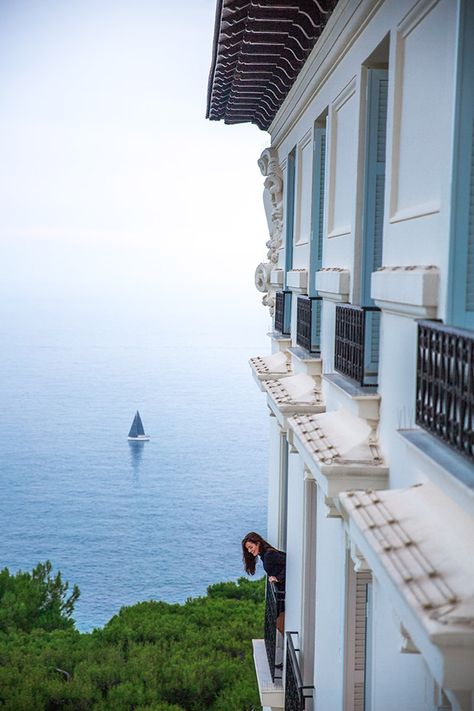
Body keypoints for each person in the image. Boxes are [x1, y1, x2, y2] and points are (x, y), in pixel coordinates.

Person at [242, 532, 286, 634]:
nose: (249, 550)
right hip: (281, 592)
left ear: (258, 543)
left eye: (250, 547)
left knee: (280, 625)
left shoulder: (269, 554)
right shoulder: (264, 555)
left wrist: (278, 578)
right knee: (279, 625)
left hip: (283, 591)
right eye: (248, 549)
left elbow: (288, 562)